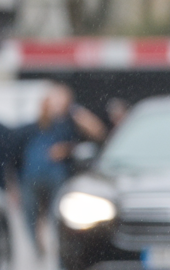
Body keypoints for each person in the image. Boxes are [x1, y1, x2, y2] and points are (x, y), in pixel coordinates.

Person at [13, 85, 105, 257]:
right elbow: (15, 157)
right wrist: (14, 185)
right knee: (30, 215)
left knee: (56, 213)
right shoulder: (29, 129)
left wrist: (74, 113)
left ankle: (59, 246)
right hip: (31, 178)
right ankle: (37, 246)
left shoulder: (67, 125)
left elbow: (97, 132)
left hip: (57, 177)